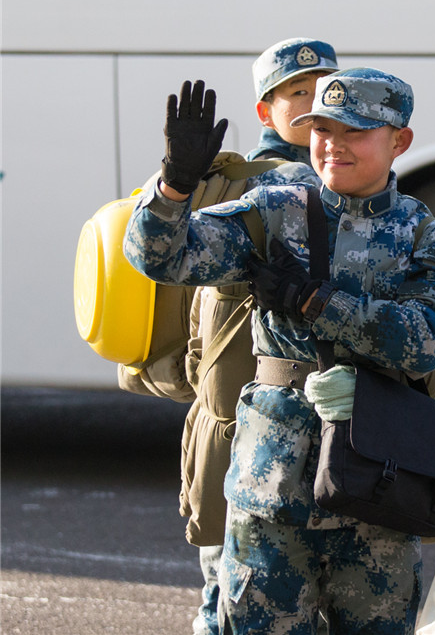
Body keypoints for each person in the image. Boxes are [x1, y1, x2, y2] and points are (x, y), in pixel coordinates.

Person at [123, 69, 435, 634]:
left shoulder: (428, 234)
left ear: (399, 140)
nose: (333, 143)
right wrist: (173, 189)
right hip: (272, 487)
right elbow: (163, 258)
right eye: (321, 128)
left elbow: (423, 341)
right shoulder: (273, 211)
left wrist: (313, 301)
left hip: (379, 492)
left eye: (355, 130)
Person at [117, 37, 338, 635]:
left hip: (288, 422)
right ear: (265, 111)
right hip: (249, 421)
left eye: (325, 87)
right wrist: (173, 184)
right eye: (298, 92)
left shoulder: (331, 182)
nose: (317, 101)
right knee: (235, 590)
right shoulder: (254, 185)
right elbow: (155, 254)